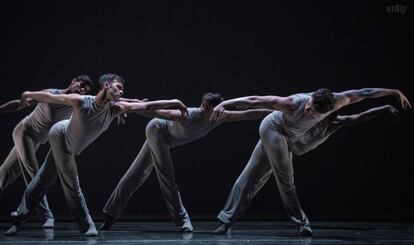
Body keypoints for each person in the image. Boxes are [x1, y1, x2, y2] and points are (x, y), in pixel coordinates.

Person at [210, 88, 411, 236]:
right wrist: (224, 103)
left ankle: (226, 220)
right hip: (273, 129)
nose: (308, 110)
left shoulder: (339, 102)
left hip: (286, 139)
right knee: (286, 180)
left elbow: (366, 93)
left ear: (327, 110)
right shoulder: (292, 103)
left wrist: (393, 94)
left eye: (313, 111)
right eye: (309, 105)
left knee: (253, 176)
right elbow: (256, 99)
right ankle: (302, 224)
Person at [5, 73, 188, 236]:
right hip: (59, 137)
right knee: (71, 183)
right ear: (106, 86)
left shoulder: (115, 109)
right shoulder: (81, 101)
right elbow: (50, 96)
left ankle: (18, 218)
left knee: (42, 180)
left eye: (122, 89)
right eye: (119, 88)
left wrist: (174, 101)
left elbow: (146, 106)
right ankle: (86, 226)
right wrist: (28, 93)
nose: (121, 92)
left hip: (69, 144)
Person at [101, 93, 272, 232]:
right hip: (157, 131)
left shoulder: (220, 117)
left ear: (217, 109)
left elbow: (248, 114)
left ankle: (109, 215)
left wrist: (274, 111)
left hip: (167, 140)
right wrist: (124, 108)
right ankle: (182, 221)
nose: (202, 109)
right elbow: (152, 111)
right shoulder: (188, 115)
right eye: (202, 105)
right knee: (166, 175)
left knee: (136, 173)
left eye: (207, 107)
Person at [0, 75, 93, 229]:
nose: (82, 90)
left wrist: (134, 103)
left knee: (5, 172)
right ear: (72, 81)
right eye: (81, 85)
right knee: (34, 174)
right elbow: (20, 104)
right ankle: (47, 216)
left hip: (36, 141)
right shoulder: (52, 93)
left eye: (85, 89)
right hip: (24, 132)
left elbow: (106, 100)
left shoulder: (75, 103)